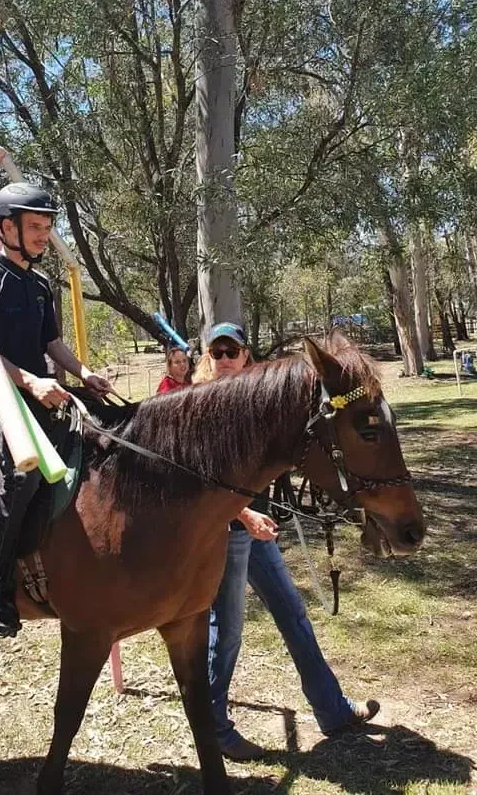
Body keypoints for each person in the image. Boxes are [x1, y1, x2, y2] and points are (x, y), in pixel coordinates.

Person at [199, 322, 380, 761]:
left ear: (247, 356)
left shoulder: (257, 403)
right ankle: (214, 729)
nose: (224, 359)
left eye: (232, 351)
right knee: (227, 633)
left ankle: (332, 711)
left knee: (294, 616)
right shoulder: (203, 407)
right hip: (224, 532)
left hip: (255, 531)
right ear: (209, 358)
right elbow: (203, 480)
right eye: (216, 352)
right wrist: (243, 512)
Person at [0, 182, 111, 638]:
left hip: (42, 394)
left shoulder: (42, 283)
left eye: (47, 227)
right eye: (35, 227)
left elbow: (51, 343)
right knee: (24, 473)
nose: (43, 235)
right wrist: (30, 380)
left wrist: (84, 372)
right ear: (6, 228)